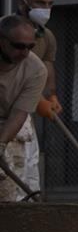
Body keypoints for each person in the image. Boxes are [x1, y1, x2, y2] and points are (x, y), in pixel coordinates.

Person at [13, 0, 58, 195]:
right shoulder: (8, 32)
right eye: (40, 3)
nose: (46, 9)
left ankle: (29, 211)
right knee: (15, 167)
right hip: (8, 109)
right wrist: (36, 99)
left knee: (30, 168)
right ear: (23, 4)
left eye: (50, 4)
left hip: (27, 112)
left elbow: (47, 66)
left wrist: (51, 96)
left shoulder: (46, 36)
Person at [0, 14, 49, 202]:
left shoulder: (35, 69)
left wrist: (1, 144)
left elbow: (19, 114)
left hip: (8, 120)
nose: (25, 52)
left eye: (30, 47)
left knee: (8, 193)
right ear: (2, 41)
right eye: (19, 46)